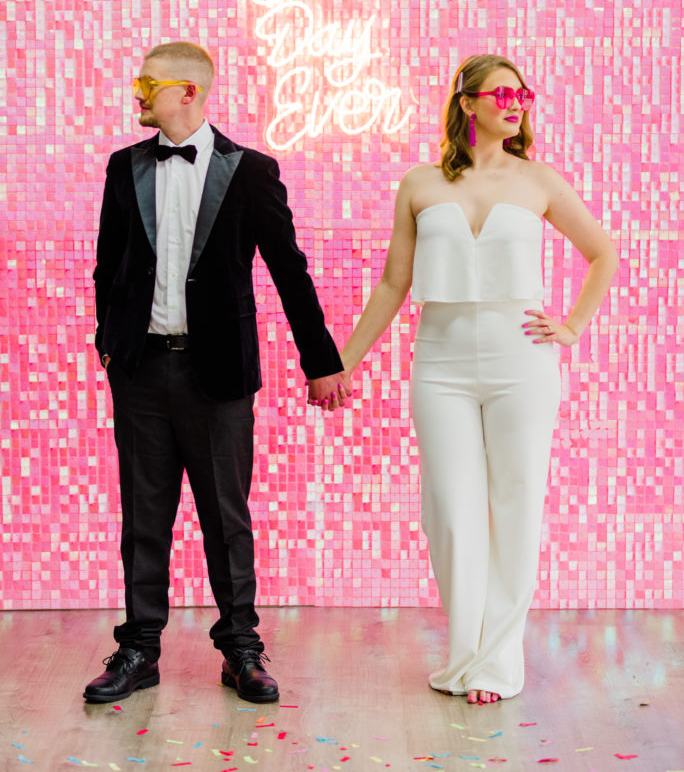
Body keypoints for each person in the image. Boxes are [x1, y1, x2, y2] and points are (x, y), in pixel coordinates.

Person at [337, 54, 618, 703]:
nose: (516, 103)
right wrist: (345, 361)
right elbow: (392, 284)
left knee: (517, 506)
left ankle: (498, 663)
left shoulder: (539, 179)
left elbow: (602, 253)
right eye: (502, 93)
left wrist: (571, 327)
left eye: (524, 93)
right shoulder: (420, 183)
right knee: (452, 515)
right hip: (440, 363)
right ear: (467, 102)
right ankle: (465, 655)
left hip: (522, 362)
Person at [85, 40, 350, 705]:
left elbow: (291, 272)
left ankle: (241, 648)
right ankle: (139, 648)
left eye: (148, 82)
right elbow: (106, 268)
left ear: (189, 92)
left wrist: (322, 362)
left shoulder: (252, 171)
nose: (137, 92)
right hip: (141, 371)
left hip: (221, 376)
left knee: (226, 517)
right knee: (144, 515)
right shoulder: (124, 168)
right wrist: (110, 350)